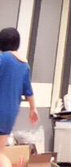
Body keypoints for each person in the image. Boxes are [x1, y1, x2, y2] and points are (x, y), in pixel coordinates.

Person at [0, 28, 39, 167]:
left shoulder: (3, 59)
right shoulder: (24, 65)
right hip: (10, 115)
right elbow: (29, 91)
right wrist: (33, 109)